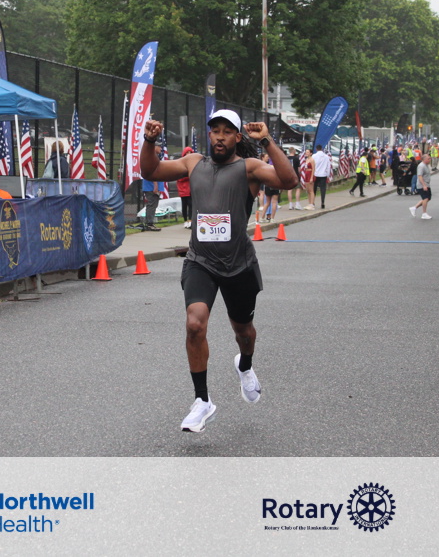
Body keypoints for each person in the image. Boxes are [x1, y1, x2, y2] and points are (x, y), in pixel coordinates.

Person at [140, 110, 298, 433]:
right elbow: (151, 170)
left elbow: (289, 180)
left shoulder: (249, 168)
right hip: (201, 262)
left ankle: (245, 365)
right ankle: (202, 401)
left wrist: (267, 141)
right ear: (209, 135)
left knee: (244, 332)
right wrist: (150, 141)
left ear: (238, 137)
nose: (220, 137)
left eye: (227, 131)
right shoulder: (193, 163)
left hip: (239, 265)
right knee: (194, 324)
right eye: (215, 131)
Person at [409, 155, 433, 220]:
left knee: (428, 198)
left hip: (427, 184)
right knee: (425, 198)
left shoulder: (426, 165)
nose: (429, 160)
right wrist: (424, 185)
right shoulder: (421, 166)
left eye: (430, 159)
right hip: (422, 185)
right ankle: (424, 213)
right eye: (428, 159)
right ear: (424, 159)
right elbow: (420, 176)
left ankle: (414, 208)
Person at [177, 146, 194, 228]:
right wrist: (188, 176)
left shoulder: (193, 163)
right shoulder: (180, 163)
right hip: (183, 189)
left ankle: (190, 220)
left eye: (190, 152)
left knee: (191, 205)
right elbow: (179, 177)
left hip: (190, 189)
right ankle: (185, 220)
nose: (189, 154)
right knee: (184, 205)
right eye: (187, 152)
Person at [312, 144, 331, 208]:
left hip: (316, 174)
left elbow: (312, 165)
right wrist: (328, 175)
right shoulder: (326, 157)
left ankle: (313, 202)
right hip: (323, 174)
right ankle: (322, 202)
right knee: (323, 189)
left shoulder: (314, 156)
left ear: (316, 149)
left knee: (314, 189)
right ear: (322, 149)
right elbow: (328, 167)